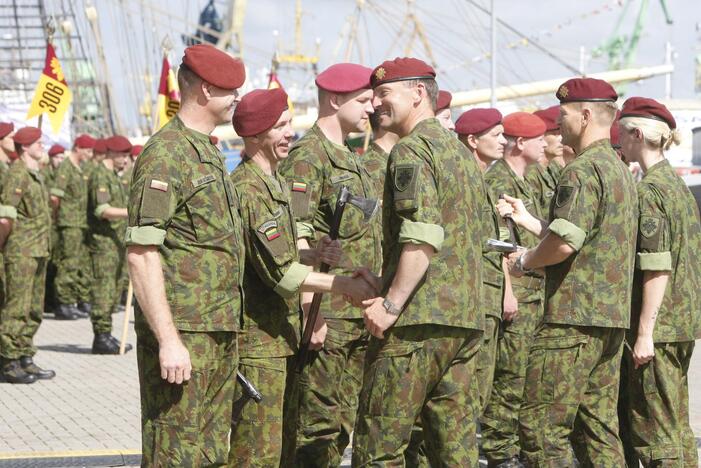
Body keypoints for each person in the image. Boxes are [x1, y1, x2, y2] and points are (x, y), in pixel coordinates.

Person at [228, 87, 376, 466]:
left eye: (289, 123)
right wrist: (344, 286)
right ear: (255, 135)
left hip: (278, 337)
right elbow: (282, 275)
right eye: (279, 127)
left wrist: (311, 253)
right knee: (256, 452)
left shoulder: (271, 184)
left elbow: (269, 252)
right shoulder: (251, 189)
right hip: (258, 344)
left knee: (280, 443)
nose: (289, 133)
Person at [353, 57, 487, 466]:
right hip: (463, 320)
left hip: (416, 324)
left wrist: (390, 303)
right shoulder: (460, 153)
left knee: (379, 447)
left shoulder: (412, 150)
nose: (376, 103)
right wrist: (383, 278)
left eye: (384, 93)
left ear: (418, 93)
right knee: (453, 450)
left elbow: (423, 236)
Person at [498, 78, 637, 466]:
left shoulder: (581, 170)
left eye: (563, 117)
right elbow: (583, 235)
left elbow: (565, 243)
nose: (558, 128)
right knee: (597, 429)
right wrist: (532, 223)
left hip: (571, 322)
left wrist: (524, 261)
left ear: (586, 115)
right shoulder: (619, 170)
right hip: (608, 320)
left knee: (542, 429)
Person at [126, 44, 246, 466]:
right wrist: (168, 340)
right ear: (206, 91)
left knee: (211, 453)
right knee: (173, 453)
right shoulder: (166, 154)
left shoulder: (209, 152)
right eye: (231, 90)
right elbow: (142, 252)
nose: (237, 99)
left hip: (217, 331)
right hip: (187, 335)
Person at [278, 62, 382, 467]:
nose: (370, 109)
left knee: (339, 427)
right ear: (335, 99)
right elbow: (296, 235)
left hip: (352, 313)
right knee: (313, 428)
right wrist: (308, 307)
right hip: (326, 314)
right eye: (362, 101)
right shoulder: (308, 157)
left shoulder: (349, 156)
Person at [617, 97, 701, 468]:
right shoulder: (675, 187)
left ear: (637, 134)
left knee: (654, 431)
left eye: (621, 134)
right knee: (675, 425)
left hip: (660, 326)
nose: (618, 142)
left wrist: (644, 332)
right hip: (680, 321)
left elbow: (656, 267)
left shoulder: (651, 191)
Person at [481, 112, 547, 467]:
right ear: (521, 143)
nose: (544, 144)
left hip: (534, 292)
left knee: (526, 378)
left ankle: (514, 447)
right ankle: (498, 451)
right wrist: (507, 291)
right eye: (538, 139)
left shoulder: (529, 181)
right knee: (509, 377)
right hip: (516, 292)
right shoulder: (499, 182)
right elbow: (499, 245)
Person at [455, 108, 507, 414]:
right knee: (467, 391)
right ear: (473, 140)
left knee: (480, 389)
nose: (504, 142)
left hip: (487, 294)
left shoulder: (482, 181)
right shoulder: (465, 179)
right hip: (472, 297)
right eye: (496, 135)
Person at [0, 127, 55, 384]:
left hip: (39, 249)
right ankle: (8, 361)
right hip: (21, 250)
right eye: (38, 143)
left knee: (33, 309)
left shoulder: (37, 174)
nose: (42, 146)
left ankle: (25, 356)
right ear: (26, 147)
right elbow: (6, 215)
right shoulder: (17, 174)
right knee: (16, 308)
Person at [87, 135, 132, 354]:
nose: (125, 159)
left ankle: (107, 334)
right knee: (103, 289)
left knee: (113, 289)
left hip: (116, 242)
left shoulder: (113, 176)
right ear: (112, 153)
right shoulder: (100, 176)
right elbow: (102, 210)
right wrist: (131, 213)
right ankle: (101, 336)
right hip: (103, 243)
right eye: (123, 155)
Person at [51, 135, 95, 320]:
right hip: (69, 223)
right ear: (78, 148)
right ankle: (64, 303)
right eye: (87, 150)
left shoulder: (79, 168)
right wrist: (58, 218)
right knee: (68, 263)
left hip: (80, 222)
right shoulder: (66, 167)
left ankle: (76, 299)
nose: (90, 154)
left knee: (79, 262)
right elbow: (55, 196)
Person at [524, 106, 564, 214]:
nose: (561, 139)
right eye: (555, 134)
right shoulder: (530, 173)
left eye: (562, 133)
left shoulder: (554, 167)